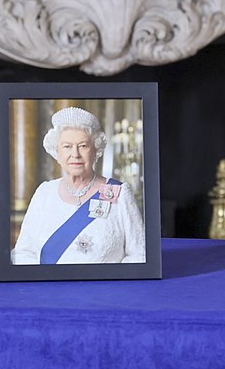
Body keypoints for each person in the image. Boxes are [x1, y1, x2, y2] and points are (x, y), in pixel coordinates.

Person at [12, 106, 146, 264]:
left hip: (104, 288)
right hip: (50, 288)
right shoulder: (44, 193)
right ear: (57, 152)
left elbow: (139, 255)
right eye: (67, 146)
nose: (75, 154)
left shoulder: (119, 192)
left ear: (95, 150)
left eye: (83, 146)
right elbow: (23, 252)